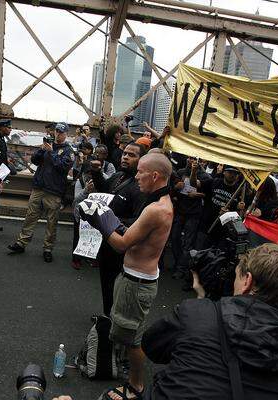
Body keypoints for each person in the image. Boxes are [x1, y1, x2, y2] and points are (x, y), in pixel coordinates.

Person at [141, 243, 278, 400]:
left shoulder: (196, 313)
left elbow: (152, 346)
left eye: (236, 276)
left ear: (247, 281)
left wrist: (200, 304)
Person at [79, 153, 173, 400]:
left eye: (141, 171)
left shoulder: (156, 209)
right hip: (135, 277)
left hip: (136, 282)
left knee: (132, 339)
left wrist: (100, 219)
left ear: (155, 175)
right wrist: (108, 217)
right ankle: (129, 374)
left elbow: (121, 244)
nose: (137, 176)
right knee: (126, 333)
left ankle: (136, 385)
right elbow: (132, 233)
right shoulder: (159, 203)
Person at [90, 142, 147, 314]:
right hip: (107, 239)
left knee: (118, 285)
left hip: (123, 245)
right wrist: (96, 172)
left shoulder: (140, 187)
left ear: (141, 160)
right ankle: (107, 314)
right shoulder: (118, 176)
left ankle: (114, 319)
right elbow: (104, 191)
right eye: (124, 154)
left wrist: (108, 218)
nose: (126, 157)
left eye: (132, 155)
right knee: (106, 282)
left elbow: (138, 221)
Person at [8, 122, 74, 263]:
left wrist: (51, 152)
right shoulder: (47, 145)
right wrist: (42, 150)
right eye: (56, 131)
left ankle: (48, 248)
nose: (58, 134)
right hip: (39, 187)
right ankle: (21, 243)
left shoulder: (69, 151)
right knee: (30, 216)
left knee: (51, 222)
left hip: (54, 191)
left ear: (66, 134)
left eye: (61, 132)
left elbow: (62, 167)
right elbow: (35, 161)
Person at [170, 156, 211, 284]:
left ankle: (181, 269)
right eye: (189, 158)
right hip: (180, 211)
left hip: (193, 213)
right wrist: (177, 188)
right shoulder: (181, 172)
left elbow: (208, 194)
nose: (191, 161)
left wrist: (199, 195)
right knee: (174, 238)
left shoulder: (204, 176)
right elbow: (173, 190)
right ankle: (178, 262)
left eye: (194, 159)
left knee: (188, 243)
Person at [199, 165, 244, 249]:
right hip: (207, 226)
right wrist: (194, 172)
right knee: (200, 252)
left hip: (224, 232)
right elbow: (197, 185)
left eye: (235, 173)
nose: (232, 175)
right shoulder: (214, 182)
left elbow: (239, 219)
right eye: (230, 172)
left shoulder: (240, 191)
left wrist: (231, 213)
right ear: (224, 172)